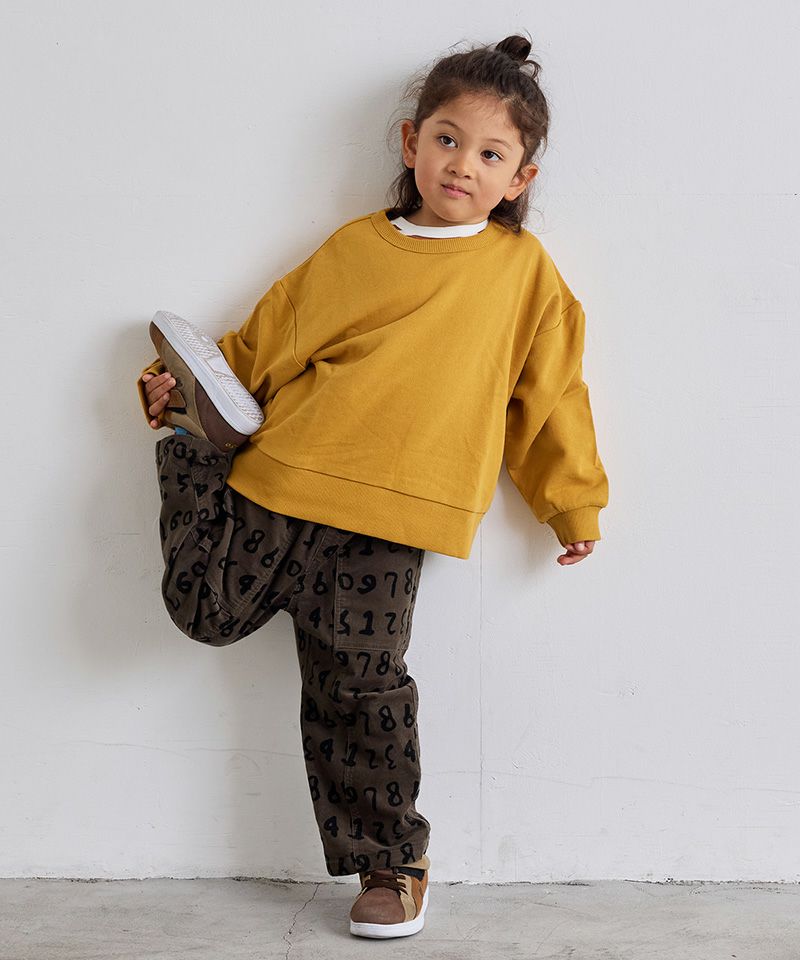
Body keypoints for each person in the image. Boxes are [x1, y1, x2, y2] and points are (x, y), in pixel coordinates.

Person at [136, 33, 609, 940]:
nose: (461, 164)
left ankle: (391, 862)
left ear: (520, 178)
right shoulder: (356, 248)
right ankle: (194, 445)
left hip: (389, 521)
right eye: (447, 139)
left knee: (360, 687)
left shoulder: (523, 276)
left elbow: (551, 398)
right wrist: (179, 392)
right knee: (204, 612)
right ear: (410, 142)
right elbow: (261, 347)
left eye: (490, 154)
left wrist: (571, 502)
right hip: (279, 476)